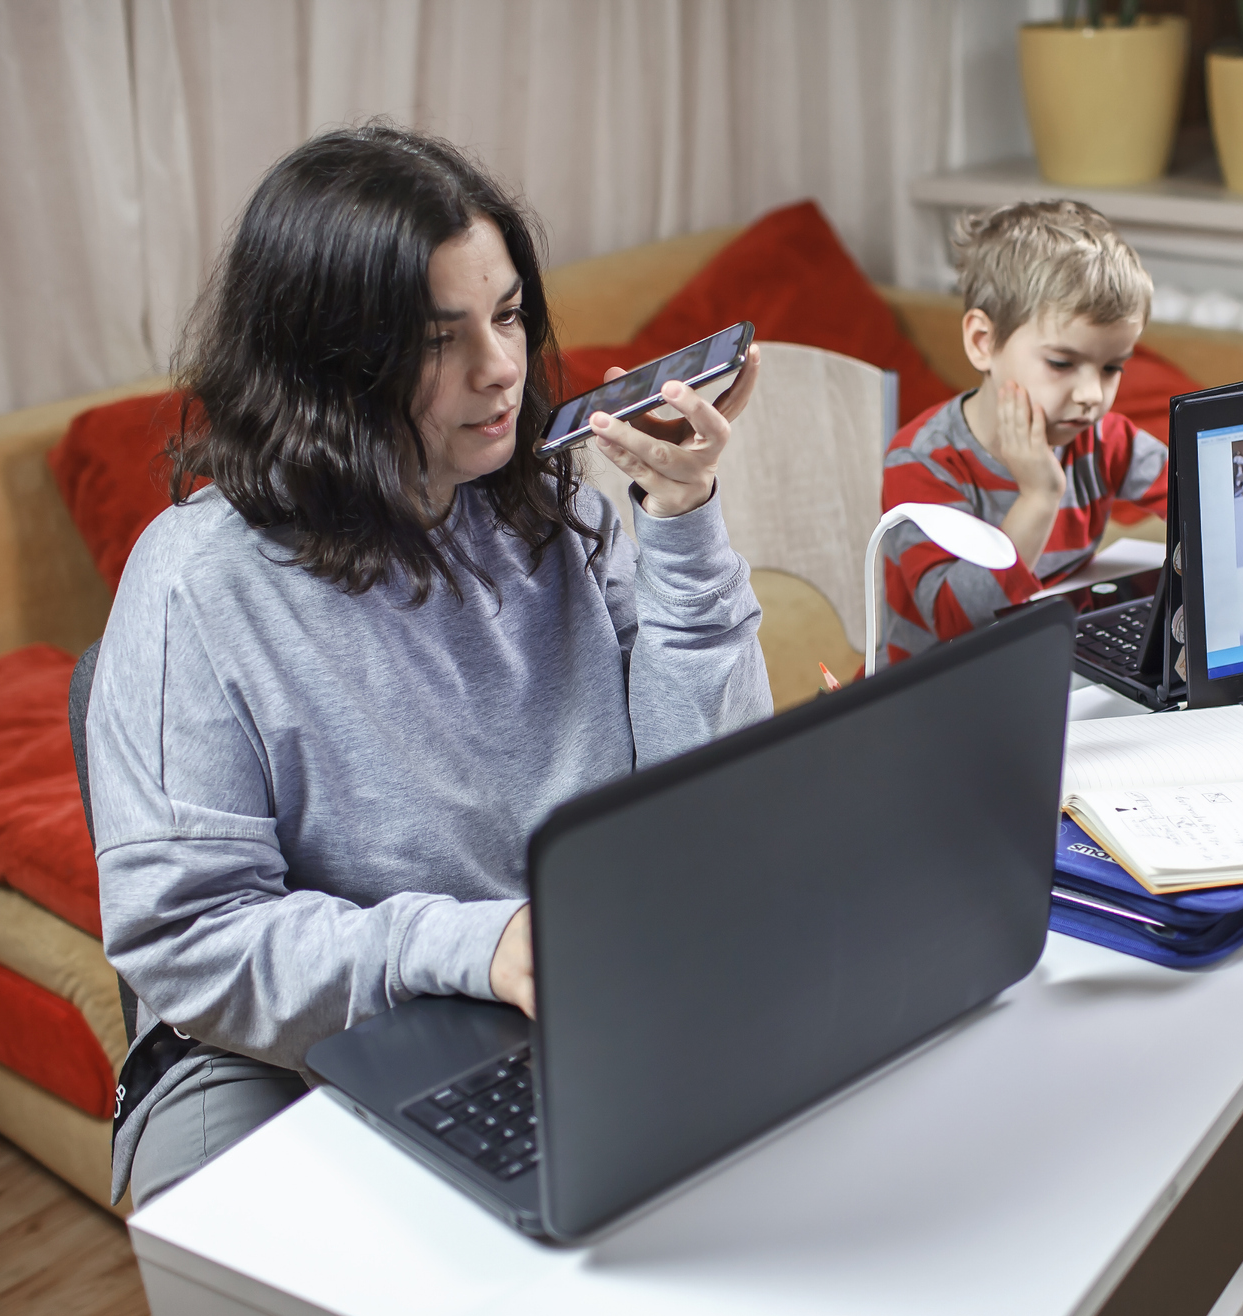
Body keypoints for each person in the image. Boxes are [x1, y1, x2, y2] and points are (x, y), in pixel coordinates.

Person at [87, 126, 772, 1206]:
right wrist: (474, 940)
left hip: (561, 986)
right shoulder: (195, 584)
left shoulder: (557, 511)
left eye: (506, 315)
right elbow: (191, 942)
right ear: (329, 361)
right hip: (290, 1042)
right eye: (438, 338)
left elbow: (707, 796)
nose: (501, 370)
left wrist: (683, 520)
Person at [877, 200, 1166, 664]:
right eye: (1061, 363)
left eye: (1112, 367)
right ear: (983, 342)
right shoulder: (923, 462)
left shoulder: (1102, 439)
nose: (1092, 394)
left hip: (1046, 659)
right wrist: (1038, 497)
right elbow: (958, 623)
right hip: (939, 688)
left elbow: (1198, 498)